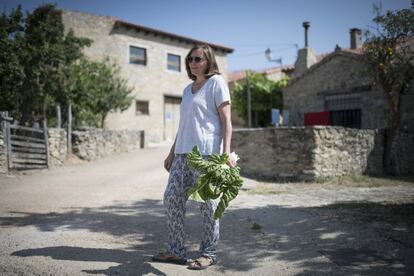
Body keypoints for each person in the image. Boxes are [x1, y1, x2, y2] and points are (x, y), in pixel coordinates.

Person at [152, 44, 237, 270]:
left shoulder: (216, 83)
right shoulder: (187, 89)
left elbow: (226, 121)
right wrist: (172, 152)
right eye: (190, 59)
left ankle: (208, 253)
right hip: (182, 154)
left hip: (207, 154)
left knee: (208, 205)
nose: (193, 62)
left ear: (208, 61)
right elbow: (184, 125)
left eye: (198, 59)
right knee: (171, 198)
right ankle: (176, 250)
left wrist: (226, 153)